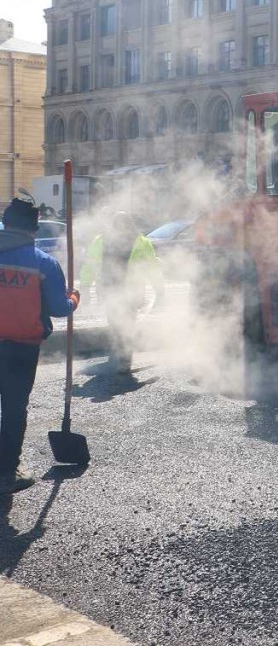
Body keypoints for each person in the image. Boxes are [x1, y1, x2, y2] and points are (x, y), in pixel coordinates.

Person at [0, 198, 80, 494]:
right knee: (13, 411)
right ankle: (6, 474)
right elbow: (60, 307)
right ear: (34, 229)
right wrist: (75, 298)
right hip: (21, 349)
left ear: (5, 223)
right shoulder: (42, 263)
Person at [78, 212, 163, 374]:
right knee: (116, 324)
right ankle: (121, 352)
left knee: (125, 325)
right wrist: (85, 287)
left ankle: (124, 359)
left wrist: (160, 290)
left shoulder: (140, 242)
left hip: (131, 293)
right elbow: (90, 265)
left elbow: (152, 268)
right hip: (110, 291)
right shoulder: (101, 241)